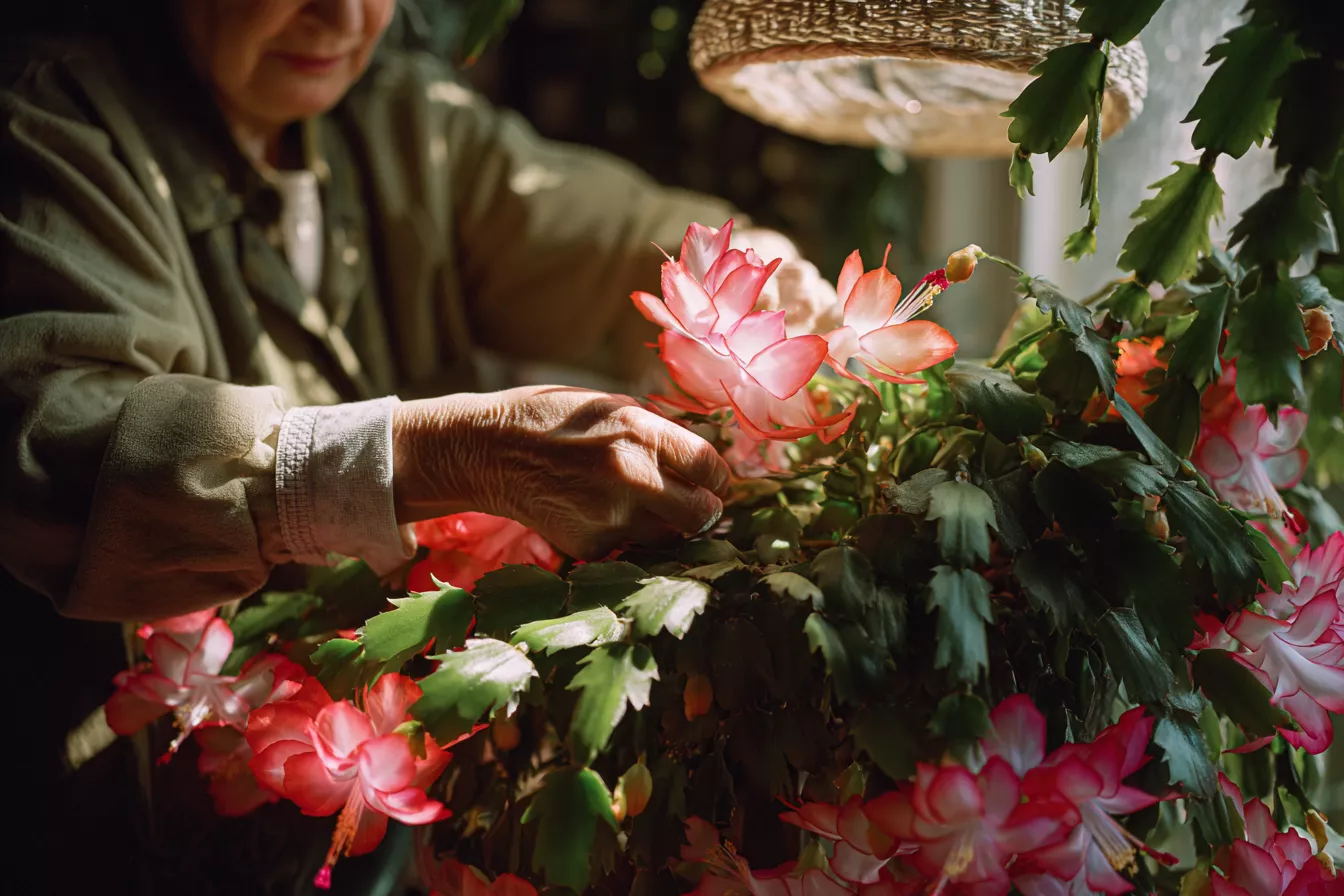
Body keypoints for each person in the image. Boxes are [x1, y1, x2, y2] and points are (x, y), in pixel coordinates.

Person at [1, 2, 836, 892]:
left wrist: (762, 284)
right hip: (102, 841)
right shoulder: (46, 123)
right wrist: (443, 454)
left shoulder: (397, 115)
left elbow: (586, 232)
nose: (342, 15)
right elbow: (63, 447)